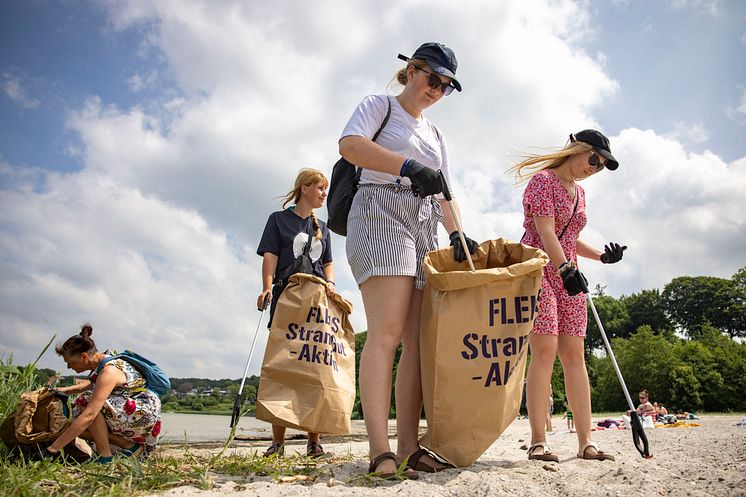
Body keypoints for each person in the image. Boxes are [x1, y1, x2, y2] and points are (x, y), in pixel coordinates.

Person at [338, 42, 477, 479]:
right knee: (388, 332)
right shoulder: (378, 106)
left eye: (446, 86)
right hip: (379, 211)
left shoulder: (436, 135)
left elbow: (445, 191)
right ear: (411, 71)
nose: (437, 89)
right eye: (432, 78)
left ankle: (409, 447)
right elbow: (349, 146)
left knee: (419, 341)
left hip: (424, 224)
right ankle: (379, 450)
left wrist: (456, 233)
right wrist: (406, 167)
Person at [510, 129, 626, 462]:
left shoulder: (581, 193)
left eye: (602, 165)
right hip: (540, 270)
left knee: (574, 354)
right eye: (594, 159)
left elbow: (569, 238)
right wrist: (564, 270)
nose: (595, 167)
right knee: (544, 350)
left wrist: (602, 257)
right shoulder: (543, 181)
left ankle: (586, 442)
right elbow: (546, 232)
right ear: (577, 149)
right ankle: (537, 442)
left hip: (570, 274)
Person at [256, 168, 335, 458]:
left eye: (325, 189)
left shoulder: (323, 227)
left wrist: (332, 284)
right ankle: (278, 443)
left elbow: (327, 262)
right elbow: (270, 256)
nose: (324, 194)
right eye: (320, 188)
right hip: (286, 297)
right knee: (283, 366)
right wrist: (266, 288)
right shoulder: (278, 220)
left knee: (315, 368)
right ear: (304, 188)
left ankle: (314, 441)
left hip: (316, 301)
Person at [43, 324, 162, 463]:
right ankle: (129, 446)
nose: (69, 367)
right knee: (74, 423)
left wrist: (52, 449)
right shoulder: (103, 362)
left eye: (70, 362)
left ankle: (105, 456)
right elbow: (93, 383)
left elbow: (90, 414)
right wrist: (65, 390)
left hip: (142, 413)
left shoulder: (108, 371)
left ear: (84, 356)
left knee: (86, 405)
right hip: (134, 412)